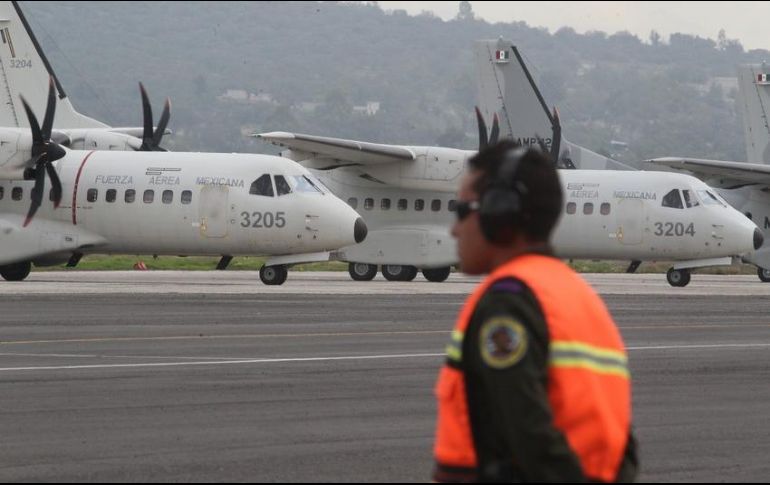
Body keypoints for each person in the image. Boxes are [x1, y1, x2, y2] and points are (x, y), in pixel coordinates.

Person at [432, 141, 638, 483]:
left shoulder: (508, 302)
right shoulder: (578, 296)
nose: (454, 228)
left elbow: (528, 430)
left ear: (500, 213)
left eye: (463, 210)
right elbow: (619, 438)